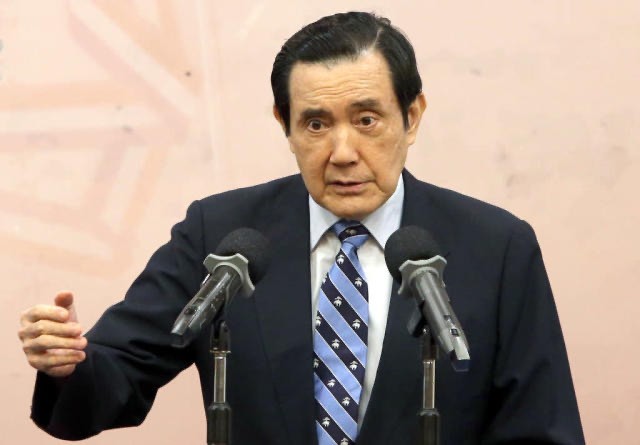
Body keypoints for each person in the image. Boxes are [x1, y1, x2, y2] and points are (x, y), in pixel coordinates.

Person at [18, 12, 585, 445]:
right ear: (284, 125)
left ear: (411, 117)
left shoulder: (497, 248)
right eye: (315, 124)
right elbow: (113, 381)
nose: (343, 152)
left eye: (367, 120)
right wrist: (70, 365)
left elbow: (541, 427)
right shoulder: (220, 234)